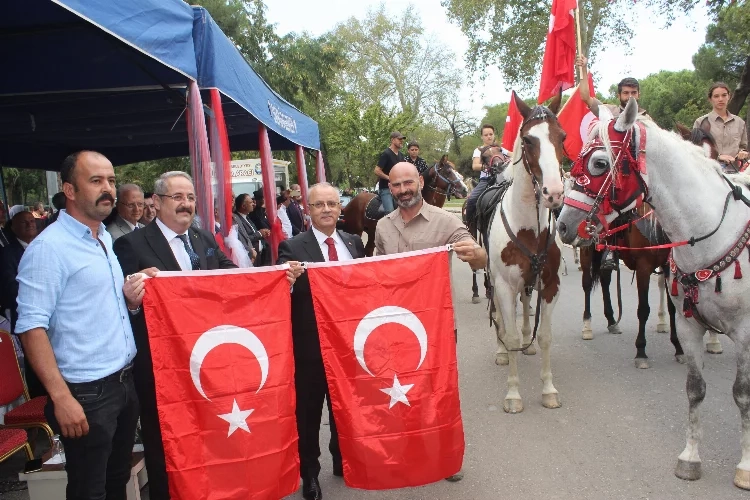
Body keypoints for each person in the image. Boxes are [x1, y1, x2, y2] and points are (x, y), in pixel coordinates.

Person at [113, 172, 299, 500]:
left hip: (209, 366)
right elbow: (121, 308)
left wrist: (275, 279)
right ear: (155, 202)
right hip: (164, 372)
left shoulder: (203, 238)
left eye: (190, 198)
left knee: (212, 439)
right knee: (168, 446)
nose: (186, 204)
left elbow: (236, 280)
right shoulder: (131, 245)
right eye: (177, 197)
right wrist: (131, 298)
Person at [15, 150, 140, 500]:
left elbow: (98, 306)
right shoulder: (49, 249)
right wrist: (61, 397)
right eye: (96, 181)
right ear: (69, 190)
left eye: (111, 181)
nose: (108, 189)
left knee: (117, 480)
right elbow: (31, 328)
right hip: (86, 394)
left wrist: (130, 299)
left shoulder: (102, 239)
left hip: (123, 383)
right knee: (89, 490)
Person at [374, 162, 485, 483]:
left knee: (440, 391)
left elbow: (480, 260)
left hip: (436, 325)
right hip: (394, 326)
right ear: (390, 188)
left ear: (420, 182)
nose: (403, 190)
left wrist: (475, 253)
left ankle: (446, 455)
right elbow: (376, 273)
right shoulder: (382, 227)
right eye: (396, 186)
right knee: (399, 390)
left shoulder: (447, 221)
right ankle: (406, 449)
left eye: (408, 183)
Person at [277, 183, 366, 500]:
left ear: (340, 208)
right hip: (311, 350)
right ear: (308, 210)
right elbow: (279, 297)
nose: (326, 209)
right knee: (309, 415)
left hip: (350, 347)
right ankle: (310, 475)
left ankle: (342, 457)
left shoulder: (354, 243)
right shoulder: (291, 248)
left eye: (332, 203)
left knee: (347, 407)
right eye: (319, 205)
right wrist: (286, 281)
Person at [0, 210, 45, 398]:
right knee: (34, 363)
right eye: (24, 222)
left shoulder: (44, 246)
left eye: (31, 221)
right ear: (13, 227)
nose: (29, 225)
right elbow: (10, 287)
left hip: (51, 316)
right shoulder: (7, 254)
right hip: (23, 316)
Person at [693, 82, 748, 169]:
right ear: (710, 99)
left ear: (729, 96)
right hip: (710, 171)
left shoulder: (740, 122)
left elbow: (743, 147)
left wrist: (743, 152)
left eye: (724, 95)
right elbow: (695, 149)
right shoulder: (700, 122)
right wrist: (718, 157)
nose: (720, 99)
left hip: (736, 172)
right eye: (716, 96)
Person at [576, 55, 649, 119]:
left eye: (633, 93)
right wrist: (583, 69)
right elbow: (586, 97)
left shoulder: (646, 119)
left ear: (638, 95)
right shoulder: (610, 112)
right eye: (626, 93)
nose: (630, 96)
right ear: (619, 96)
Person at [465, 124, 503, 225]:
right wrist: (489, 166)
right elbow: (475, 165)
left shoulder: (500, 149)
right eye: (486, 135)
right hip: (486, 180)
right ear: (482, 137)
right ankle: (468, 226)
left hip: (502, 179)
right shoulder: (478, 150)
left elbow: (513, 155)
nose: (489, 136)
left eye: (491, 134)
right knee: (472, 200)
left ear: (494, 135)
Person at [373, 131, 406, 213]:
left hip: (398, 189)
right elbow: (377, 170)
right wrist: (390, 178)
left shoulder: (401, 156)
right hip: (385, 189)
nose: (401, 141)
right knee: (390, 212)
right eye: (399, 139)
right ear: (392, 140)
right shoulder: (386, 154)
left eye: (402, 139)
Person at [232, 193, 264, 264]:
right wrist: (259, 234)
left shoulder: (247, 217)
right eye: (250, 202)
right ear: (243, 206)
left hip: (258, 255)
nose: (253, 204)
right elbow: (244, 238)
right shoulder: (237, 219)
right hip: (250, 257)